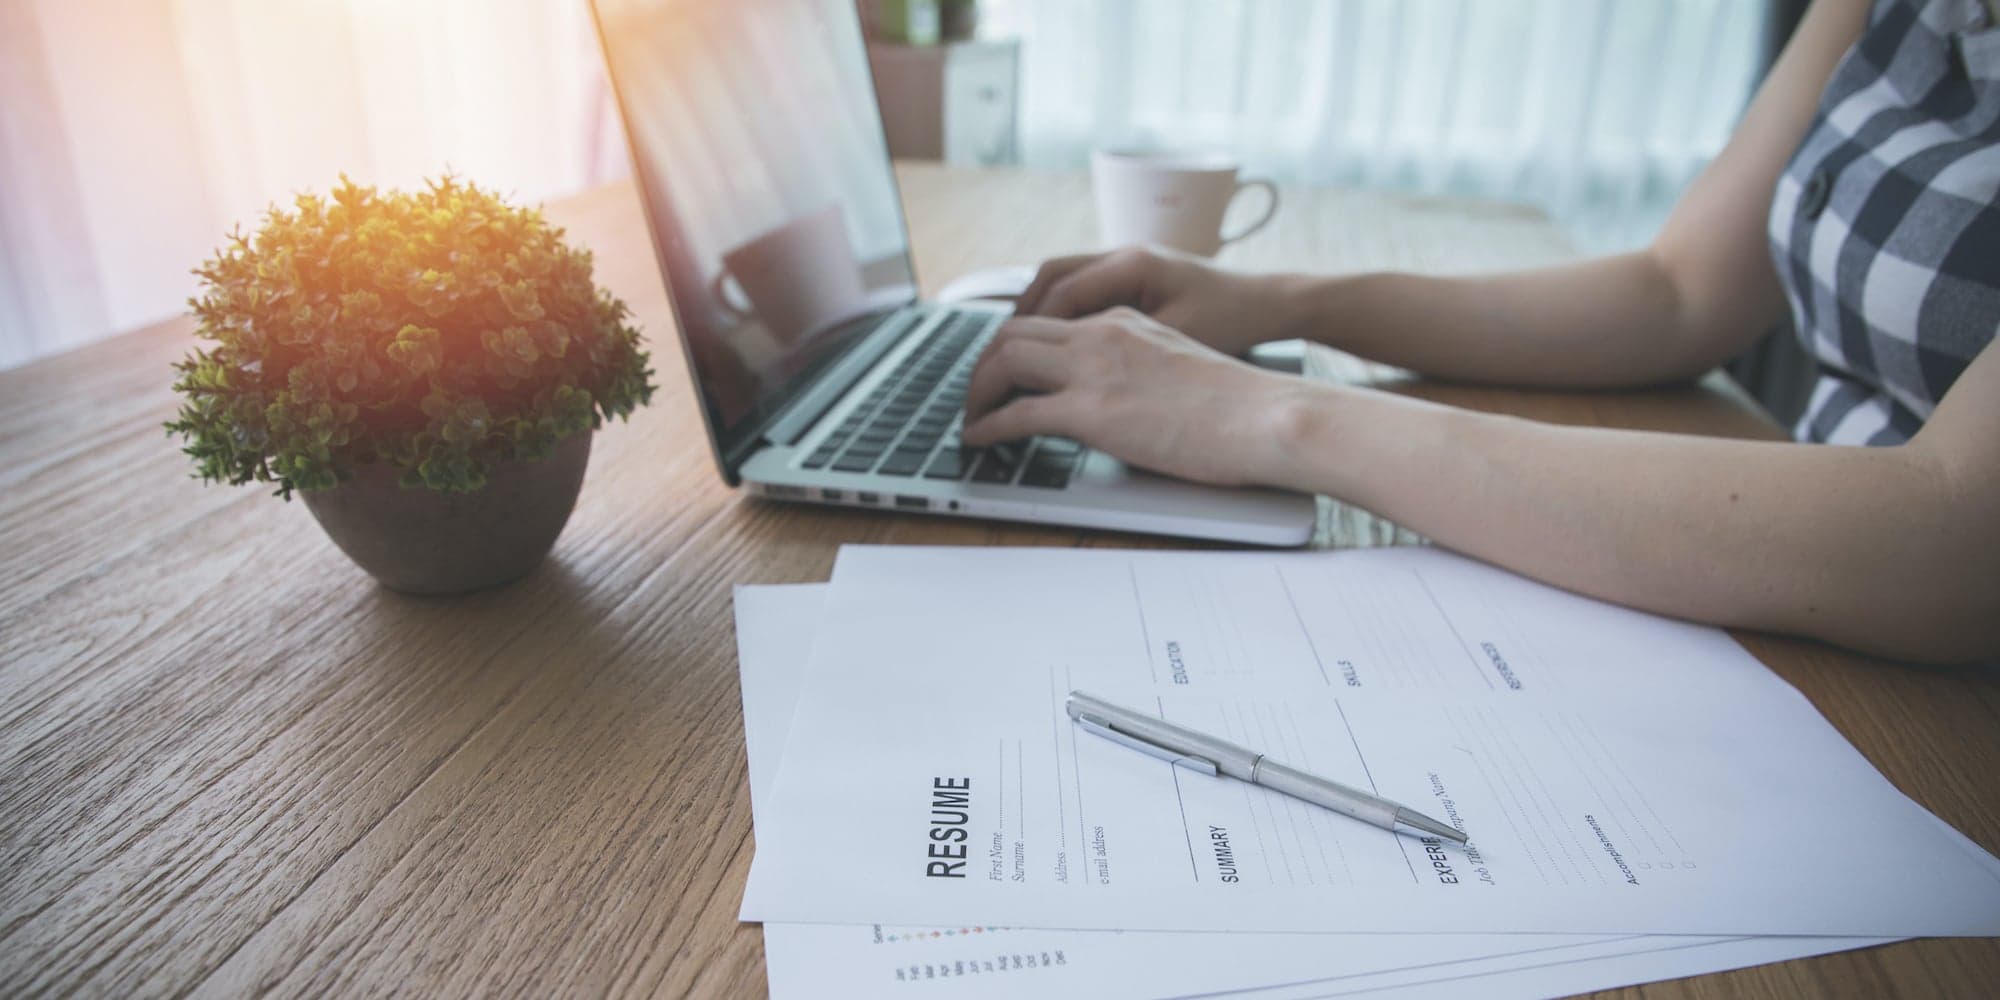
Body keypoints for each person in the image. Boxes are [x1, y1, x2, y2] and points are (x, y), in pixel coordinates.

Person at [960, 0, 1999, 665]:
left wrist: (1279, 417)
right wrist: (1276, 300)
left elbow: (1953, 541)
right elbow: (1675, 291)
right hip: (1791, 609)